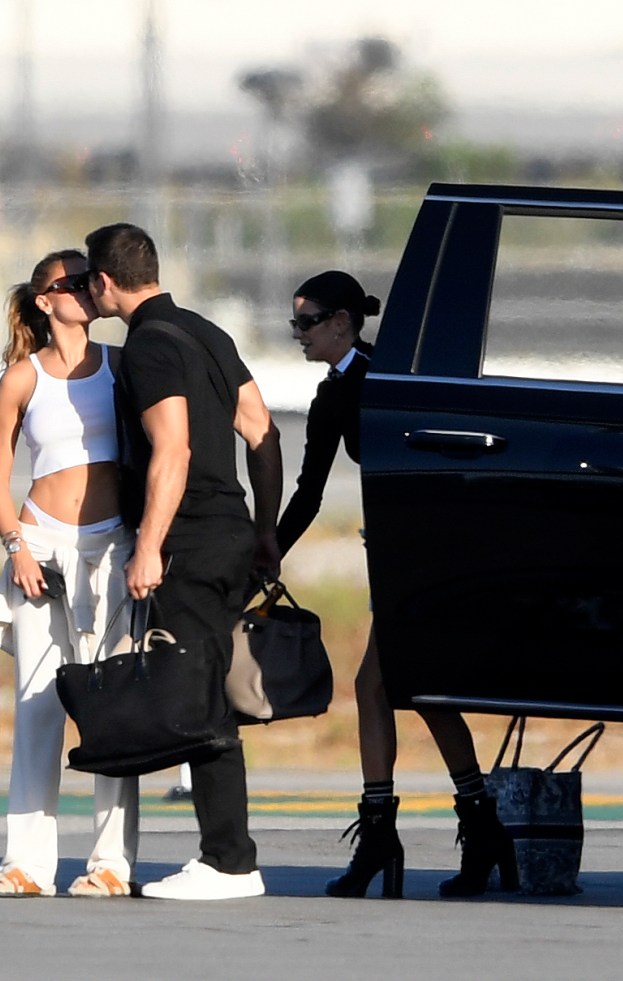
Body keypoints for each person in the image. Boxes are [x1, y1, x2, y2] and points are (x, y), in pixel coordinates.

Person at [276, 270, 516, 899]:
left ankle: (391, 834)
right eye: (295, 322)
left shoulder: (389, 381)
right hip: (397, 554)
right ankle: (479, 826)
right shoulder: (333, 396)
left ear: (341, 323)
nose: (296, 334)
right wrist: (268, 549)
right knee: (419, 688)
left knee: (383, 683)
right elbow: (309, 491)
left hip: (427, 552)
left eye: (306, 323)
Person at [84, 222, 283, 901]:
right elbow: (261, 428)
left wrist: (147, 546)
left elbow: (172, 450)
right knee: (208, 687)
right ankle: (226, 854)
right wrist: (265, 528)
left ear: (105, 282)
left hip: (190, 540)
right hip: (230, 530)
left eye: (90, 281)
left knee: (199, 696)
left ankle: (230, 860)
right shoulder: (206, 332)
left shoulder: (147, 348)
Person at [0, 248, 139, 898]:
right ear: (45, 301)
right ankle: (26, 862)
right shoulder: (22, 377)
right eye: (68, 283)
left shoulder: (122, 366)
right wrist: (15, 543)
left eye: (86, 280)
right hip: (39, 543)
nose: (82, 289)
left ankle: (111, 863)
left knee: (115, 709)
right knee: (38, 703)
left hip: (110, 549)